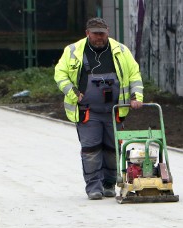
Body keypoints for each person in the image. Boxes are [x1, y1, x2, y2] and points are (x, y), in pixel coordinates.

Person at [54, 17, 143, 200]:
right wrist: (73, 93)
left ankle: (109, 184)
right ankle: (94, 187)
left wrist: (136, 97)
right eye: (95, 34)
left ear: (107, 32)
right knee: (91, 150)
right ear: (88, 33)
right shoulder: (73, 51)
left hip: (115, 111)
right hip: (88, 111)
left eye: (102, 34)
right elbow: (60, 74)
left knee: (112, 150)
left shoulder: (121, 51)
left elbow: (134, 74)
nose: (99, 38)